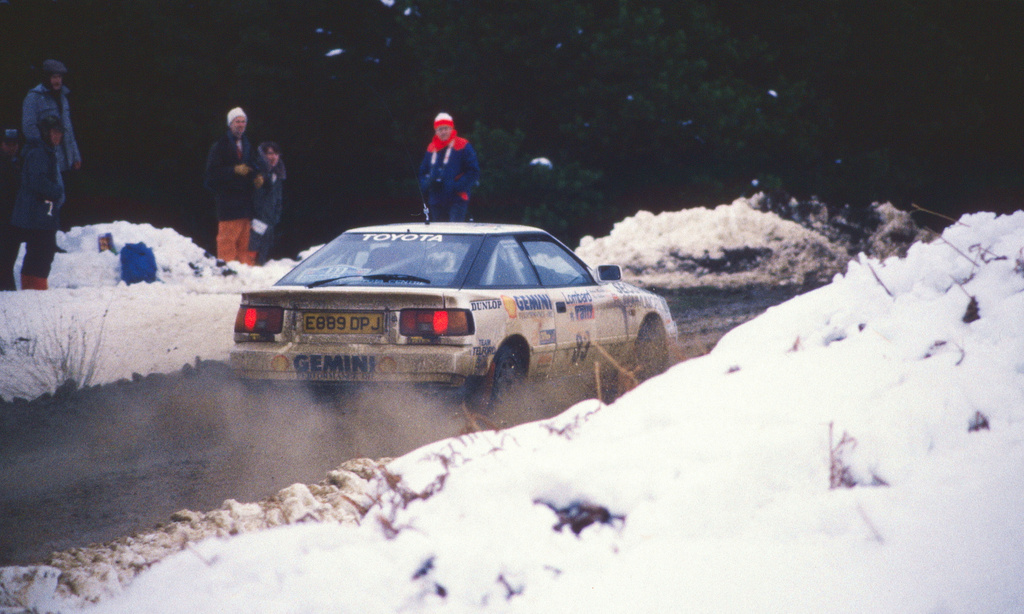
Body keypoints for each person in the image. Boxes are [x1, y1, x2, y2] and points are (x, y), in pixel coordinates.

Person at [10, 116, 65, 290]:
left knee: (39, 252)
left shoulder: (45, 150)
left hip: (39, 214)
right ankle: (35, 290)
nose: (58, 137)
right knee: (42, 252)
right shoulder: (39, 152)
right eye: (55, 132)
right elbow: (36, 180)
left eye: (60, 133)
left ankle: (32, 289)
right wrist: (56, 191)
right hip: (37, 214)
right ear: (45, 133)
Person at [204, 107, 258, 265]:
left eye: (243, 122)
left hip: (246, 205)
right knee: (227, 243)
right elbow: (211, 176)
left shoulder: (247, 145)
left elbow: (253, 166)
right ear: (230, 124)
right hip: (228, 206)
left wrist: (256, 177)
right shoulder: (219, 146)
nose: (240, 125)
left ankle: (245, 276)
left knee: (245, 245)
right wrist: (233, 170)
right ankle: (227, 273)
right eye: (237, 121)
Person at [22, 60, 81, 174]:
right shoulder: (33, 97)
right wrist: (44, 152)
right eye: (54, 77)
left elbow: (68, 129)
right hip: (45, 161)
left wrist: (75, 156)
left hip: (66, 161)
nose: (58, 81)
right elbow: (29, 128)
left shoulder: (63, 97)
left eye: (60, 77)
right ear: (46, 78)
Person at [418, 112, 479, 222]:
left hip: (457, 199)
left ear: (452, 128)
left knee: (455, 232)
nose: (443, 132)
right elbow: (422, 172)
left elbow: (473, 171)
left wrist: (456, 186)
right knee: (439, 233)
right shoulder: (431, 147)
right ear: (435, 131)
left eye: (446, 128)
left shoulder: (463, 145)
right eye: (440, 129)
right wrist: (427, 184)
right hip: (436, 199)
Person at [248, 141, 286, 265]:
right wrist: (253, 217)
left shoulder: (278, 175)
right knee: (250, 253)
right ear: (263, 155)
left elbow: (278, 200)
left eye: (276, 153)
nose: (273, 157)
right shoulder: (257, 172)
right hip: (255, 220)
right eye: (270, 153)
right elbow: (252, 195)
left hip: (269, 222)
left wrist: (275, 218)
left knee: (263, 256)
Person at [0, 128, 24, 290]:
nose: (12, 147)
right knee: (5, 260)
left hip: (13, 220)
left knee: (8, 259)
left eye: (14, 143)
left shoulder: (17, 163)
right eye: (8, 144)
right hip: (4, 220)